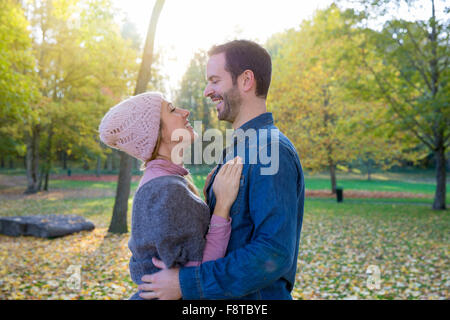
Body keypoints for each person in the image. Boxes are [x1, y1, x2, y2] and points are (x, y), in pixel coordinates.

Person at [138, 40, 305, 300]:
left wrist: (187, 283)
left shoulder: (272, 150)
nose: (207, 91)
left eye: (215, 81)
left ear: (246, 80)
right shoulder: (238, 148)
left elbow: (274, 252)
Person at [98, 91, 243, 300]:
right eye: (172, 110)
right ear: (157, 133)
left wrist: (202, 201)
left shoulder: (160, 182)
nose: (185, 112)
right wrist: (222, 204)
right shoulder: (167, 190)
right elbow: (200, 274)